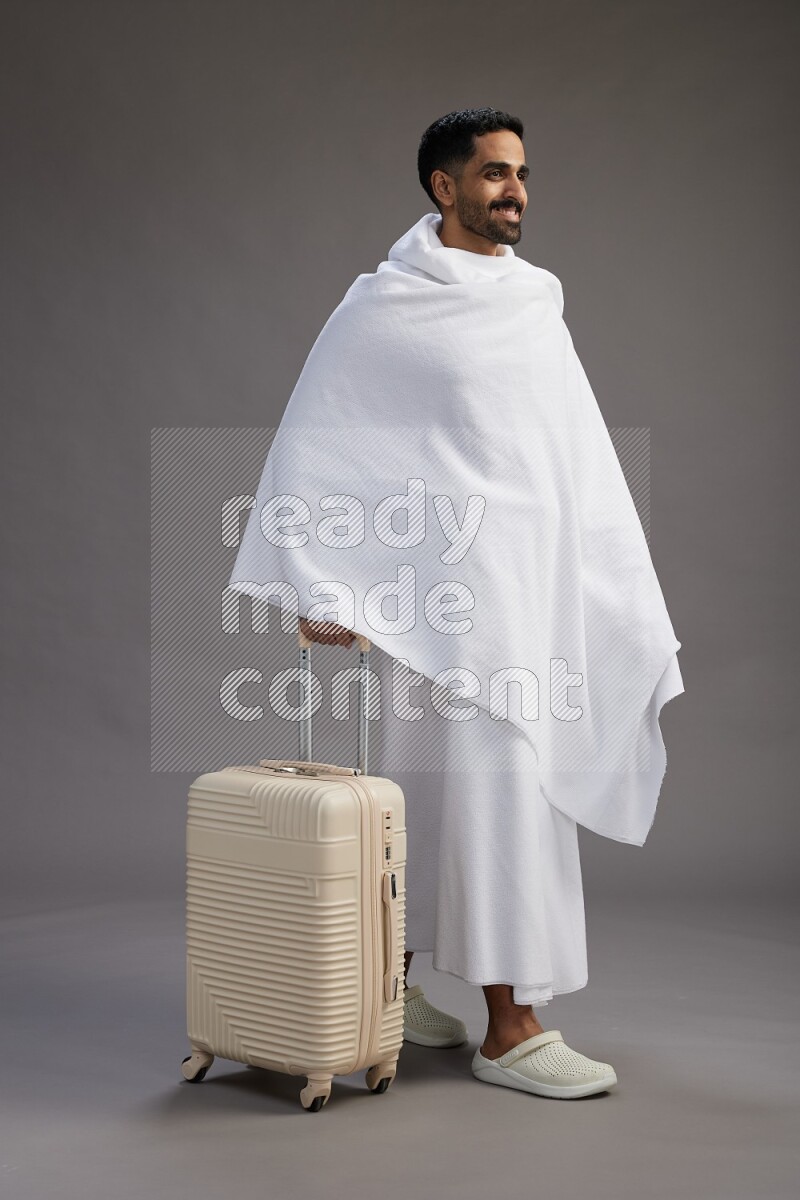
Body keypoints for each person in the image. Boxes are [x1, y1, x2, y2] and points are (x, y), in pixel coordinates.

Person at [231, 108, 684, 1100]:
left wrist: (599, 573)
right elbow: (327, 436)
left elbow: (566, 457)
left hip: (525, 597)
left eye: (519, 173)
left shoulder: (532, 300)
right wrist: (321, 581)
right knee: (442, 800)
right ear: (442, 188)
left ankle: (413, 999)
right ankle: (503, 1027)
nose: (513, 189)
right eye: (491, 173)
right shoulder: (384, 304)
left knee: (497, 795)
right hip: (435, 607)